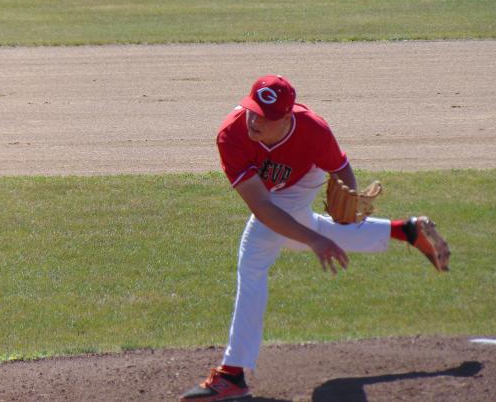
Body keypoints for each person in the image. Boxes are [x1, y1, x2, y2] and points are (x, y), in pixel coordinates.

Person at [179, 75, 450, 401]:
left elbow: (341, 169)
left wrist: (347, 203)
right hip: (272, 198)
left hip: (306, 177)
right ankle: (404, 230)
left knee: (255, 254)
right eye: (252, 110)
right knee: (291, 235)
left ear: (286, 117)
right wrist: (315, 240)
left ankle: (232, 374)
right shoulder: (232, 134)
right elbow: (263, 207)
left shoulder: (313, 130)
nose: (254, 120)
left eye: (264, 117)